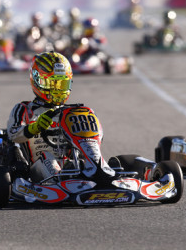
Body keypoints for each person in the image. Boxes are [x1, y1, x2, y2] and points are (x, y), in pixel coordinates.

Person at [7, 51, 115, 183]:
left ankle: (100, 171)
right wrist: (35, 127)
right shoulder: (23, 109)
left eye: (62, 84)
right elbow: (12, 134)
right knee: (48, 157)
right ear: (37, 80)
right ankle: (62, 180)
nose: (57, 90)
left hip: (70, 162)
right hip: (34, 167)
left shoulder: (71, 112)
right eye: (52, 84)